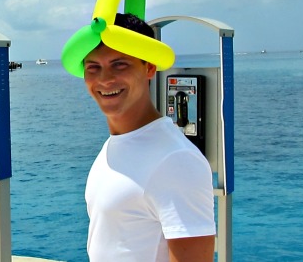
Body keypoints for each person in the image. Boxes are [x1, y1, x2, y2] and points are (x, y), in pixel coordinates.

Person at [82, 13, 215, 262]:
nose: (105, 79)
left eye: (120, 64)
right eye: (93, 67)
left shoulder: (176, 160)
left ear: (149, 68)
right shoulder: (114, 146)